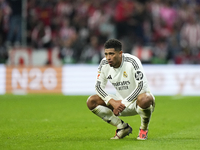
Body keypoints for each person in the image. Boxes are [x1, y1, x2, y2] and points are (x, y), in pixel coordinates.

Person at [86, 39, 155, 140]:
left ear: (120, 53)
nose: (108, 57)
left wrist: (124, 103)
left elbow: (141, 86)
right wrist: (112, 102)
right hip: (118, 104)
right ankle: (122, 127)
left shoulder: (132, 61)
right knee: (91, 101)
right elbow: (98, 87)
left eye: (111, 54)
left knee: (145, 98)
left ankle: (143, 129)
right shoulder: (104, 63)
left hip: (137, 103)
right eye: (106, 54)